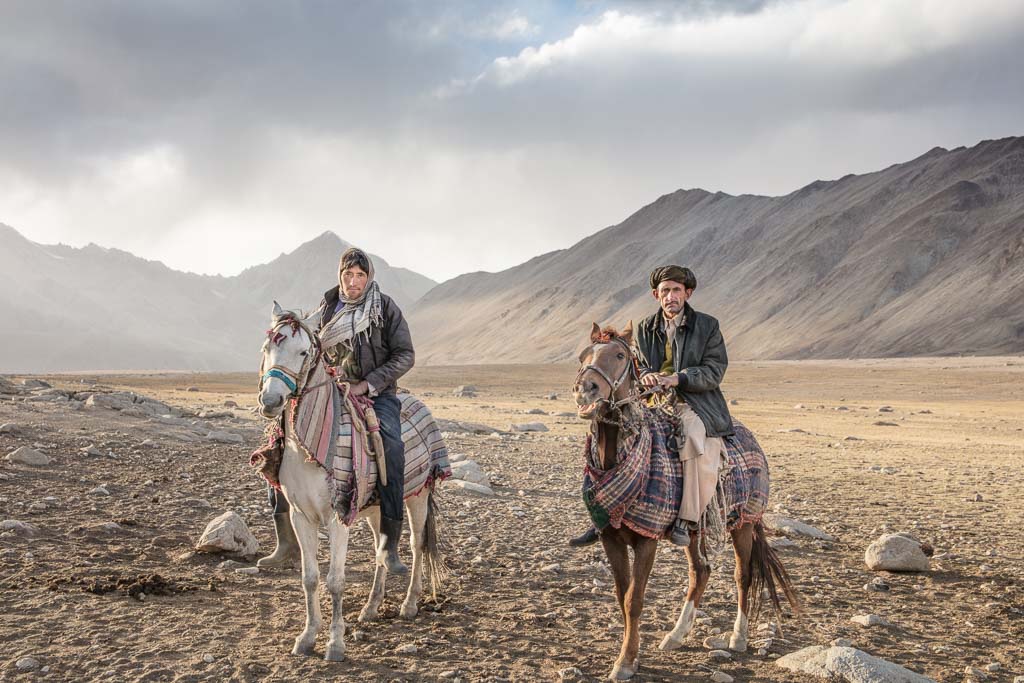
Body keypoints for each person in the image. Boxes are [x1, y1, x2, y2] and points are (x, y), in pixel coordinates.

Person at [258, 247, 415, 575]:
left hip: (376, 393)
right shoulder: (327, 307)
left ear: (368, 277)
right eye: (348, 275)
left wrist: (367, 383)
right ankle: (285, 540)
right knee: (280, 444)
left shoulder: (385, 308)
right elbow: (310, 349)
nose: (353, 281)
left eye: (360, 275)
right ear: (339, 276)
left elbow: (404, 355)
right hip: (331, 391)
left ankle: (388, 541)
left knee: (392, 444)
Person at [568, 265, 734, 548]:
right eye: (665, 291)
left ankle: (687, 518)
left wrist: (677, 378)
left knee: (693, 438)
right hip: (652, 400)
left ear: (688, 293)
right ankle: (601, 518)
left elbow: (714, 369)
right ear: (656, 295)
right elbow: (639, 364)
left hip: (696, 402)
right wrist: (646, 374)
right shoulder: (645, 327)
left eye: (677, 290)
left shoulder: (707, 326)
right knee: (606, 435)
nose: (671, 296)